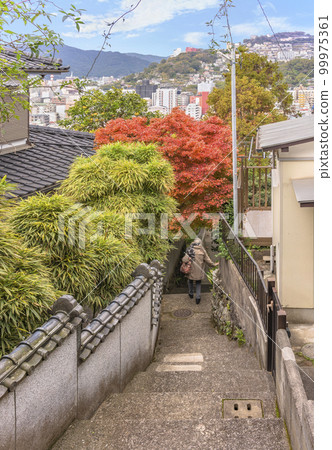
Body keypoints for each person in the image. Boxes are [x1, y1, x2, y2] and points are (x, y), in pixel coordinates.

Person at [182, 237, 218, 304]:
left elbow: (184, 260)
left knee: (190, 281)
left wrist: (188, 257)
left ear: (194, 243)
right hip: (199, 271)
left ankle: (191, 294)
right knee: (198, 283)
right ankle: (198, 298)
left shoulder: (190, 249)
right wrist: (214, 265)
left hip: (191, 271)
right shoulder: (202, 251)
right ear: (200, 244)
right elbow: (208, 261)